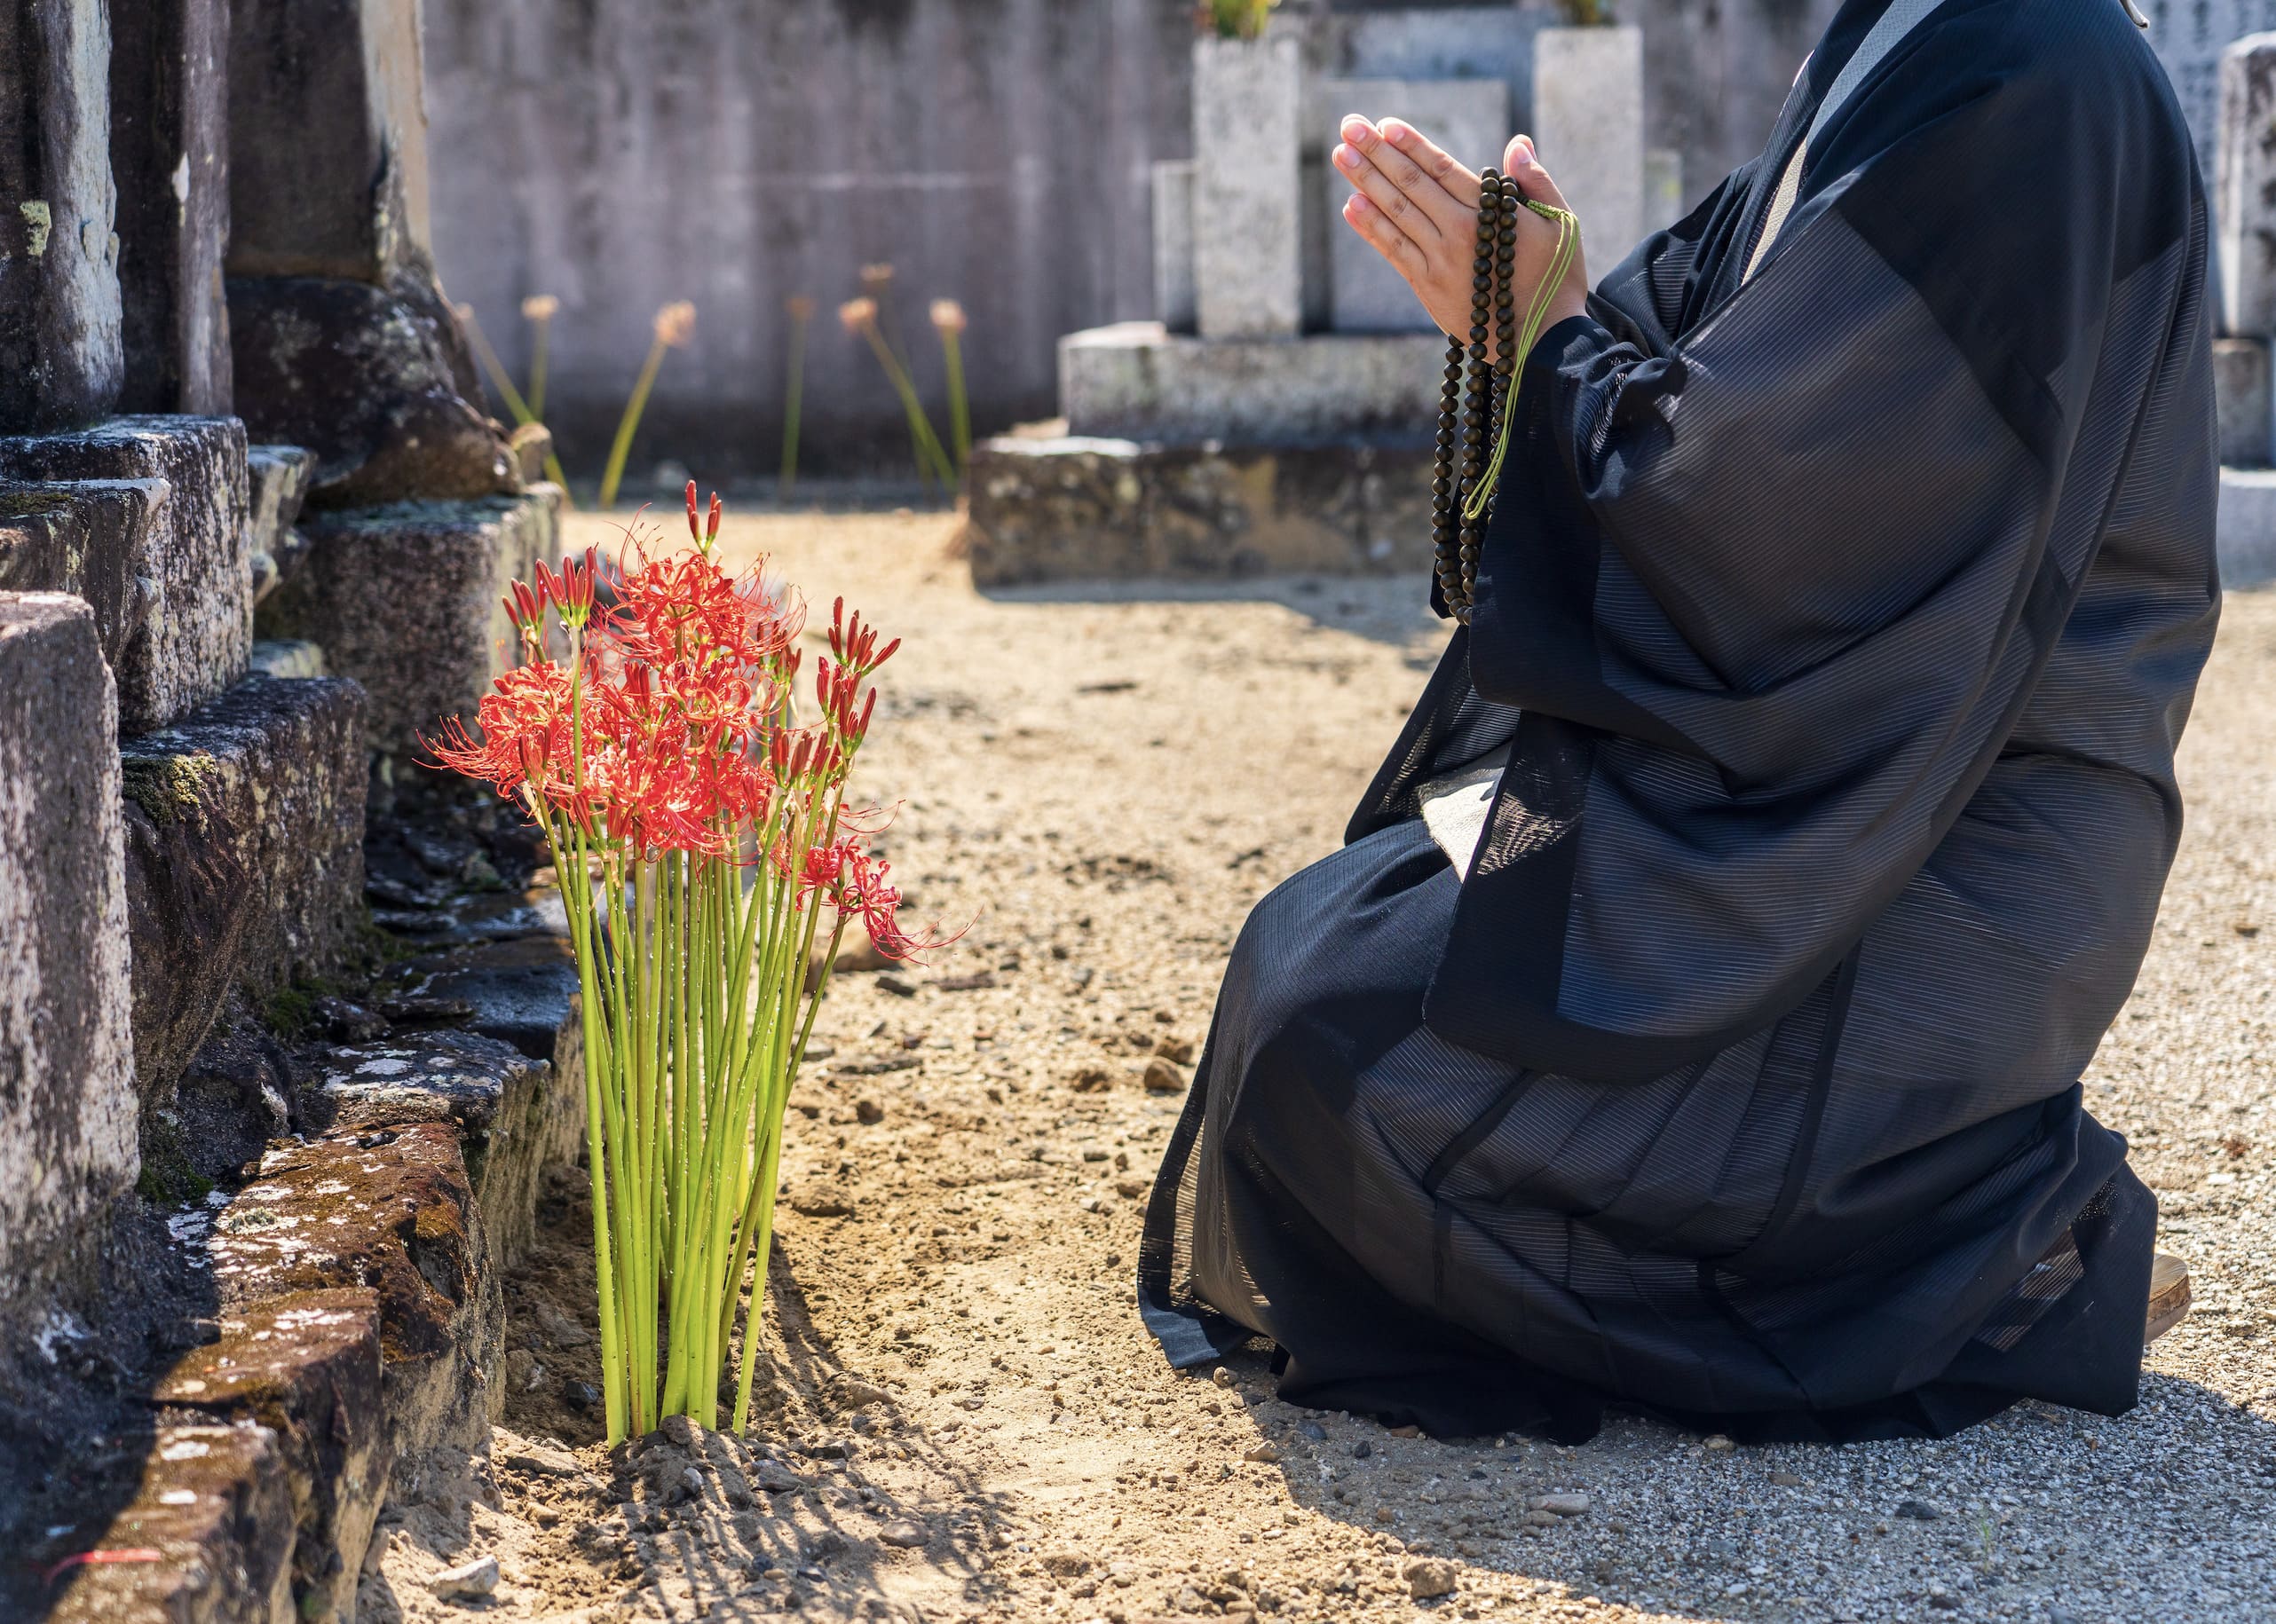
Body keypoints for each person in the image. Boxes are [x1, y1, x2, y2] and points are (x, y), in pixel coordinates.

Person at [1139, 0, 2218, 1443]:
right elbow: (1725, 360)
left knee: (1337, 1047)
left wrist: (1550, 327)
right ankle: (1932, 1210)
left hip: (1946, 845)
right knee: (1317, 954)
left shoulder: (2036, 62)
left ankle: (1980, 1249)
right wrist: (1549, 300)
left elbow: (1787, 523)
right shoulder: (1910, 33)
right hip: (1855, 787)